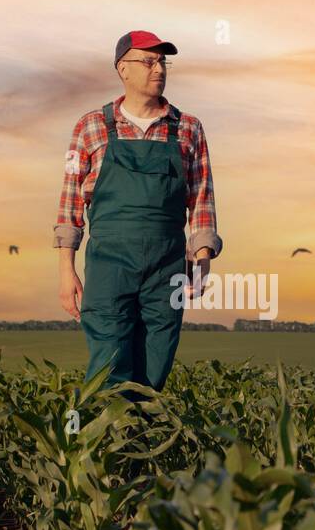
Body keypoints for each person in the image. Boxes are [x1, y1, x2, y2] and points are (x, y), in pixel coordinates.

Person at [53, 30, 223, 394]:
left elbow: (202, 196)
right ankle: (104, 444)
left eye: (162, 61)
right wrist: (66, 269)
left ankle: (144, 443)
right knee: (109, 362)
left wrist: (203, 257)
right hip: (109, 265)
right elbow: (69, 201)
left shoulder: (188, 129)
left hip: (168, 265)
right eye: (148, 61)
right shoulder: (91, 127)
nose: (158, 68)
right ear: (122, 69)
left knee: (155, 365)